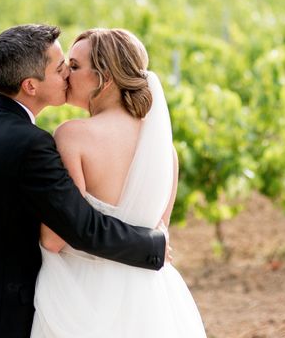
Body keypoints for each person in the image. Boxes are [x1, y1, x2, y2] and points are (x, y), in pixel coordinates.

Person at [0, 25, 168, 338]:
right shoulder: (32, 144)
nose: (66, 76)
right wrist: (154, 244)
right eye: (61, 68)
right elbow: (79, 226)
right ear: (30, 86)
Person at [31, 28, 206, 337]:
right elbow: (158, 236)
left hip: (83, 295)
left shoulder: (73, 135)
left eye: (74, 66)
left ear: (105, 77)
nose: (66, 75)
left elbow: (54, 239)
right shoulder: (166, 152)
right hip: (152, 299)